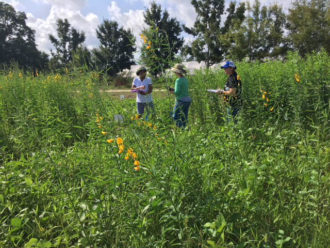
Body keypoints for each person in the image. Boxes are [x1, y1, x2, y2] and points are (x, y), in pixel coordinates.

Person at [169, 64, 192, 128]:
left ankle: (181, 129)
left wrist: (171, 92)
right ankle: (186, 129)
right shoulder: (185, 79)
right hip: (187, 100)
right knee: (184, 117)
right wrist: (174, 90)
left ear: (176, 72)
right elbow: (183, 90)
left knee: (176, 116)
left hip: (181, 100)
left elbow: (177, 92)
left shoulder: (178, 80)